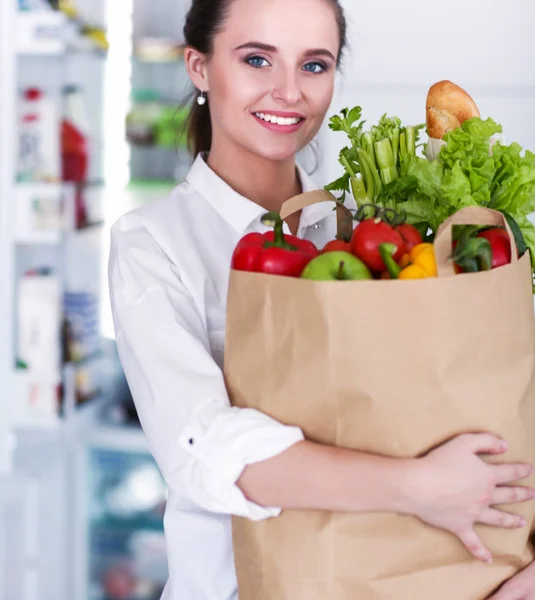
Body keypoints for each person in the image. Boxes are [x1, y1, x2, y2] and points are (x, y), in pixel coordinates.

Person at [107, 0, 535, 598]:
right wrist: (421, 487)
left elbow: (485, 392)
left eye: (314, 65)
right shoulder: (154, 243)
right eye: (257, 59)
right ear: (199, 68)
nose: (288, 92)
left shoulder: (378, 228)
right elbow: (204, 452)